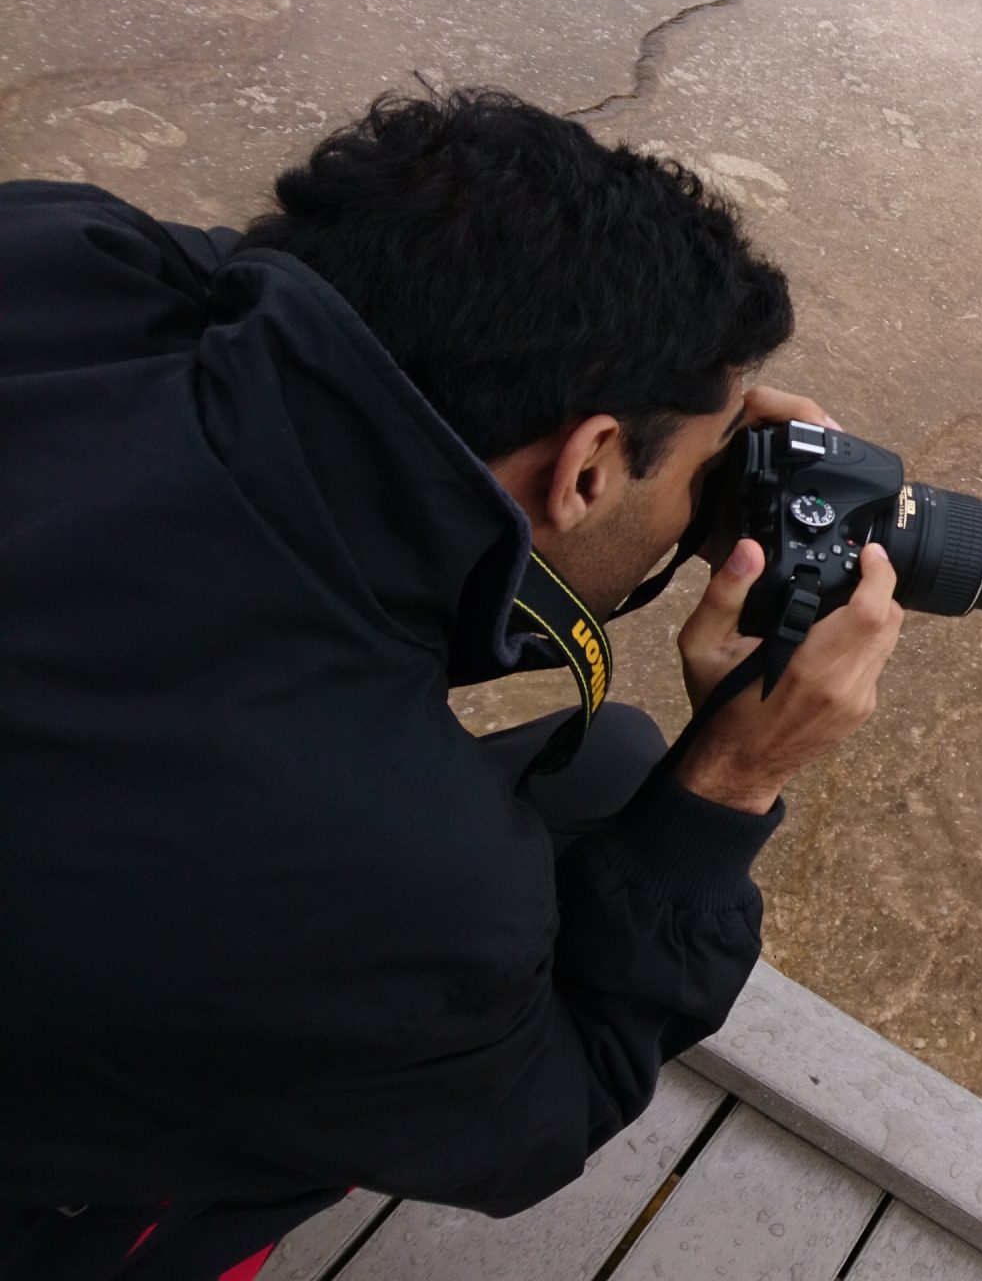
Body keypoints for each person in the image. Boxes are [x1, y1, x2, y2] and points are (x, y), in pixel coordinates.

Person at [0, 89, 906, 1279]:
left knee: (607, 771)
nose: (708, 493)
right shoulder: (392, 882)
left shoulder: (57, 249)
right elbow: (535, 1119)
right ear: (584, 466)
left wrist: (684, 417)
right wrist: (735, 776)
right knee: (640, 783)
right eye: (701, 470)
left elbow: (326, 306)